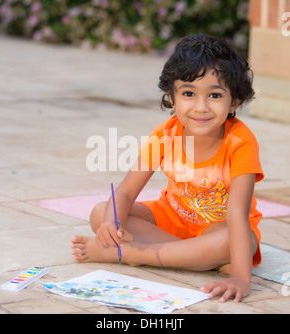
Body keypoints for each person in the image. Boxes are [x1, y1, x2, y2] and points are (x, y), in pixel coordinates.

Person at [71, 33, 264, 303]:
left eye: (215, 95)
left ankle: (135, 256)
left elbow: (237, 213)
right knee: (100, 212)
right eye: (188, 93)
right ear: (171, 97)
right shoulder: (165, 135)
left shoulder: (241, 142)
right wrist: (109, 224)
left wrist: (241, 278)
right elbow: (126, 192)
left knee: (232, 243)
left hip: (220, 228)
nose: (201, 107)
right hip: (172, 219)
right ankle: (199, 258)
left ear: (234, 101)